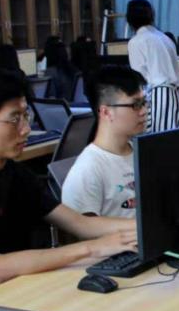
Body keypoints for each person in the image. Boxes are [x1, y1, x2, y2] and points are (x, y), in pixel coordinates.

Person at [0, 67, 137, 298]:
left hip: (31, 283)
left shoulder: (15, 174)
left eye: (26, 116)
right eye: (14, 119)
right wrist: (93, 248)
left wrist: (145, 226)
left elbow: (81, 224)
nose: (26, 129)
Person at [62, 66, 148, 218]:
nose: (144, 111)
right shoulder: (87, 170)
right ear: (106, 112)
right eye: (135, 105)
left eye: (144, 103)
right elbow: (83, 229)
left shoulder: (142, 153)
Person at [126, 0, 179, 133]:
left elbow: (139, 79)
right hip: (176, 97)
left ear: (130, 19)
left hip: (157, 99)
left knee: (158, 143)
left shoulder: (136, 41)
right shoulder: (166, 38)